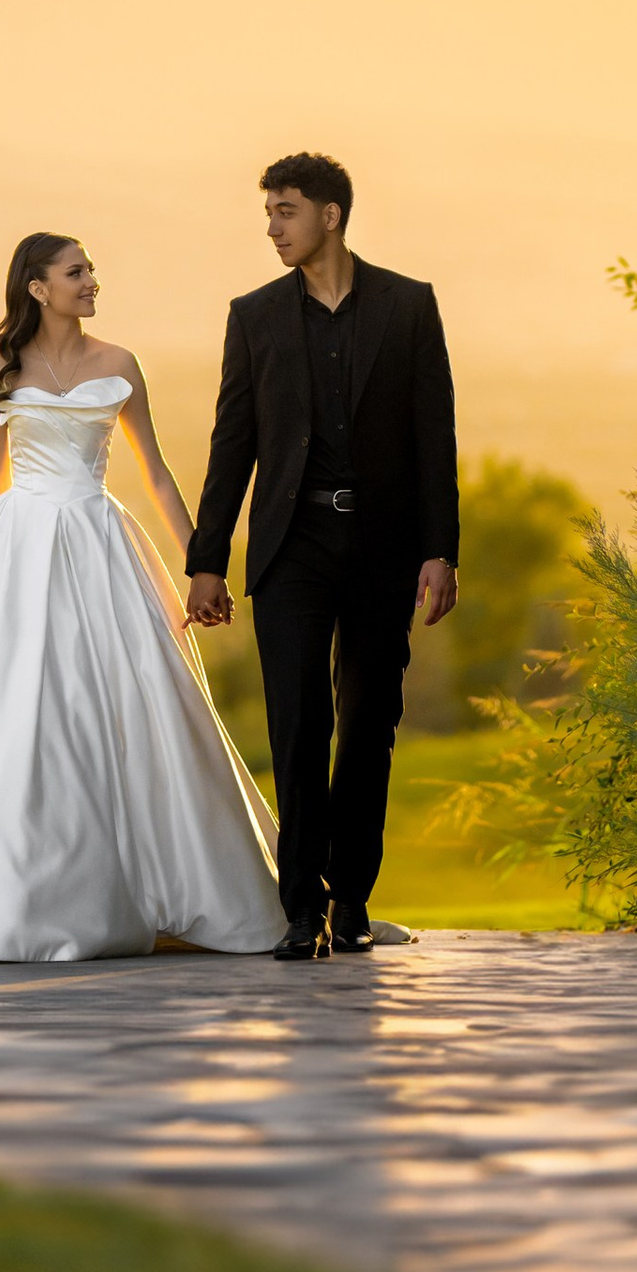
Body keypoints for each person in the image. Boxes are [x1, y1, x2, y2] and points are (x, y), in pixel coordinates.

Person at [0, 232, 282, 964]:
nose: (92, 280)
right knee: (16, 706)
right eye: (76, 271)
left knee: (123, 702)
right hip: (22, 547)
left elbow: (157, 473)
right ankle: (9, 892)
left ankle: (152, 881)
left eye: (90, 269)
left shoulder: (119, 363)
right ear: (38, 287)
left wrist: (204, 565)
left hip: (100, 541)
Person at [185, 154, 458, 960]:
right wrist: (208, 559)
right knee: (298, 723)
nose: (272, 227)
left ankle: (352, 899)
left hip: (382, 546)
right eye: (269, 212)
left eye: (286, 211)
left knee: (369, 724)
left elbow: (434, 437)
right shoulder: (254, 316)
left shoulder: (409, 305)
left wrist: (440, 550)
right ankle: (300, 907)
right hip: (291, 546)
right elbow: (232, 442)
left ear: (330, 216)